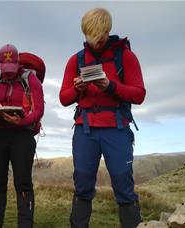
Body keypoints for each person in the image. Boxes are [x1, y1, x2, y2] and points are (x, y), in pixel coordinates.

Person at [59, 8, 146, 228]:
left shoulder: (125, 56)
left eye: (101, 37)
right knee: (82, 184)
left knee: (123, 183)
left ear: (108, 32)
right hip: (85, 130)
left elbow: (139, 94)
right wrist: (78, 88)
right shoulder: (76, 60)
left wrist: (110, 86)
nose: (97, 42)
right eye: (91, 37)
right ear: (85, 34)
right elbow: (63, 98)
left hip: (116, 128)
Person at [0, 44, 44, 228]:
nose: (8, 73)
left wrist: (21, 121)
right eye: (4, 69)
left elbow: (39, 110)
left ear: (18, 63)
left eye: (12, 69)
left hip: (22, 137)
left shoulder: (31, 79)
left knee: (23, 183)